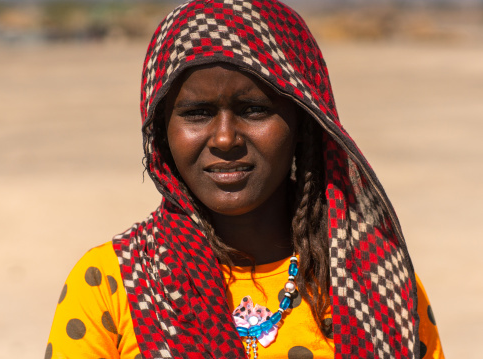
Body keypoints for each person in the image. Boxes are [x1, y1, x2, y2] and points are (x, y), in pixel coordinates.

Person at [45, 0, 444, 358]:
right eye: (197, 113)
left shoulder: (378, 281)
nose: (224, 138)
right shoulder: (112, 282)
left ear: (304, 123)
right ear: (162, 131)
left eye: (254, 109)